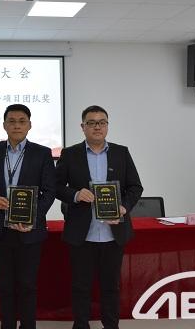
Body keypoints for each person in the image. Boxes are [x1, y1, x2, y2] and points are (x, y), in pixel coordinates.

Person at [55, 105, 143, 329]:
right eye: (92, 122)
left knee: (111, 286)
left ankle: (111, 325)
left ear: (107, 126)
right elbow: (55, 186)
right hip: (82, 233)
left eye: (102, 122)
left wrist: (123, 207)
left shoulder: (121, 152)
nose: (97, 127)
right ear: (82, 126)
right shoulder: (70, 154)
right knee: (80, 286)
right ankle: (81, 325)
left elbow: (135, 187)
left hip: (113, 233)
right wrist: (75, 194)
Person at [0, 104, 55, 329]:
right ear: (4, 125)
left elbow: (49, 191)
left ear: (29, 125)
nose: (17, 125)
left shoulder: (42, 153)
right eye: (11, 121)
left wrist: (33, 217)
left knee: (28, 285)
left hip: (29, 231)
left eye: (22, 121)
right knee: (5, 286)